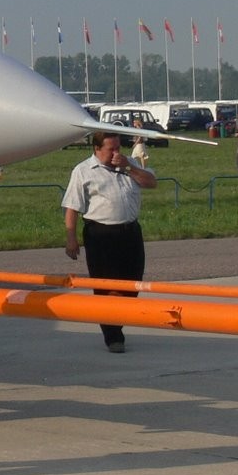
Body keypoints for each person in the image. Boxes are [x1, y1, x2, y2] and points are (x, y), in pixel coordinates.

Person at [62, 132, 157, 354]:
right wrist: (71, 238)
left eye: (118, 148)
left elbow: (151, 183)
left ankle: (117, 321)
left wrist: (128, 168)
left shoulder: (129, 164)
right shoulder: (83, 171)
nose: (116, 153)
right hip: (101, 235)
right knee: (107, 286)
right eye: (110, 149)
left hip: (130, 232)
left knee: (133, 283)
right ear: (96, 149)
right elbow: (72, 207)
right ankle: (113, 335)